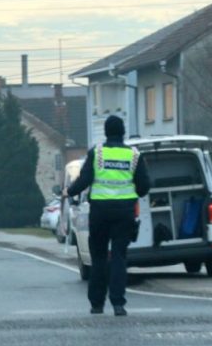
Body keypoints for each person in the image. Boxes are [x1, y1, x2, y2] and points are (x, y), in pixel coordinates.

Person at [64, 115, 151, 316]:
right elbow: (144, 187)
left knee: (99, 258)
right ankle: (118, 304)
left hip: (100, 213)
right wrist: (131, 192)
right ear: (122, 133)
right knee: (119, 257)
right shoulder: (134, 155)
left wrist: (69, 191)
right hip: (124, 213)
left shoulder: (97, 153)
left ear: (105, 132)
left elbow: (84, 180)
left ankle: (97, 304)